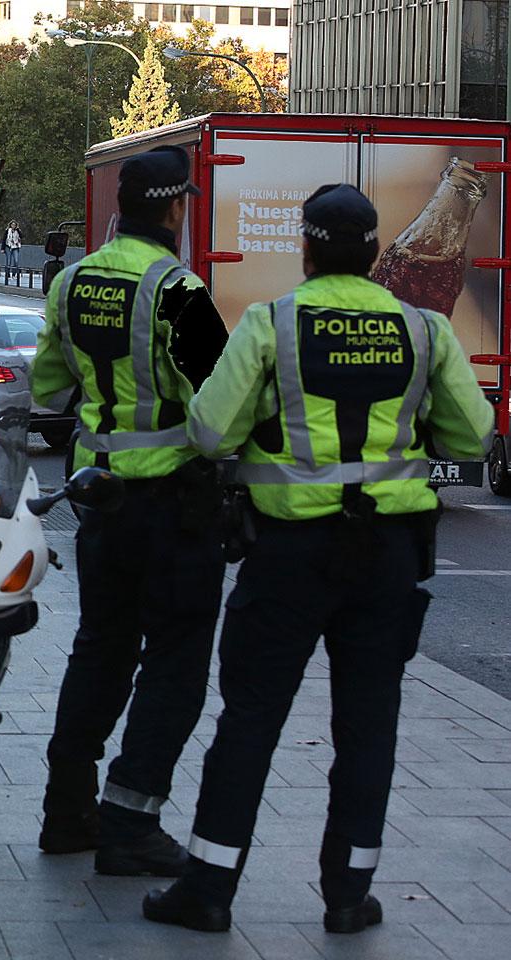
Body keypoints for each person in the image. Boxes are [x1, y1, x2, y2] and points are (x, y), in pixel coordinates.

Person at [144, 184, 495, 934]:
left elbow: (209, 433)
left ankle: (207, 889)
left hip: (288, 559)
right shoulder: (425, 330)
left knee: (251, 721)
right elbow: (471, 439)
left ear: (305, 248)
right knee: (368, 728)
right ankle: (348, 896)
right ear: (374, 252)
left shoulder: (273, 324)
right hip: (388, 560)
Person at [30, 145, 230, 878]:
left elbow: (49, 388)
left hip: (99, 501)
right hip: (173, 505)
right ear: (176, 208)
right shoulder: (179, 291)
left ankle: (66, 810)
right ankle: (130, 821)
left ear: (122, 206)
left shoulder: (73, 281)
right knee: (175, 666)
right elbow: (221, 410)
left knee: (100, 652)